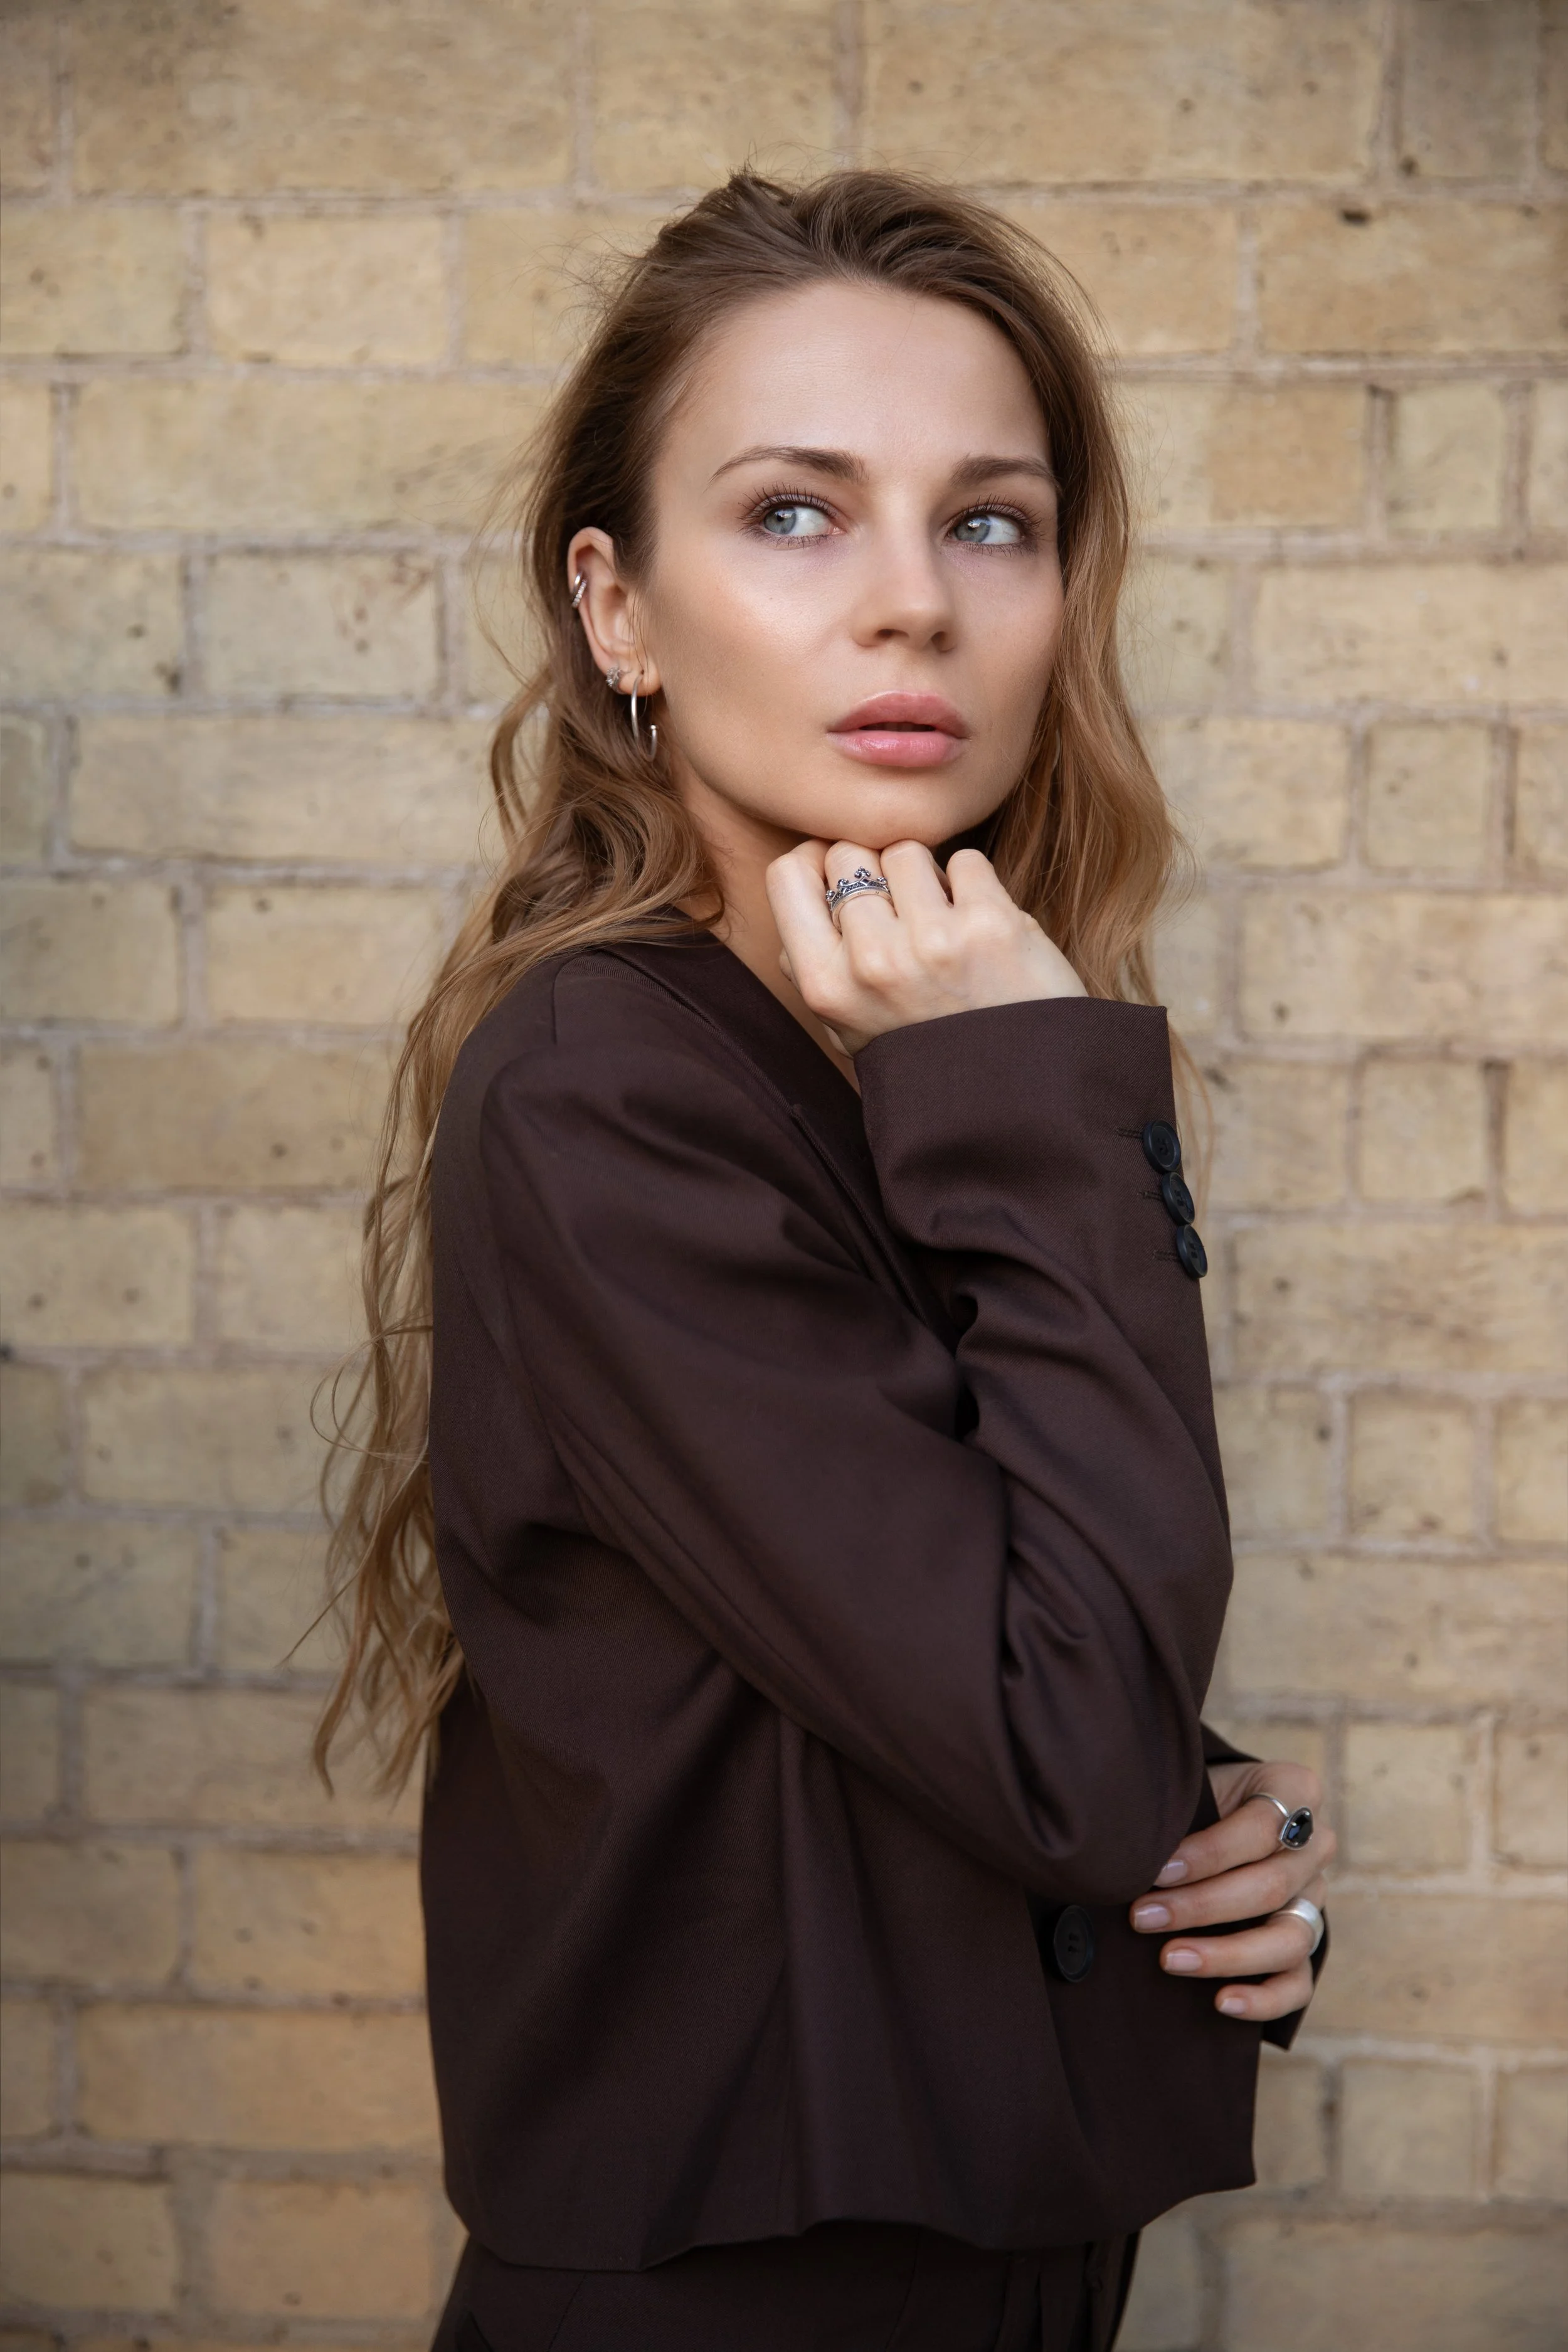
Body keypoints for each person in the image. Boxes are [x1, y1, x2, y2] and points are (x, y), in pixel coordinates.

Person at [318, 169, 1331, 2352]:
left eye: (990, 520)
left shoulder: (898, 1046)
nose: (912, 608)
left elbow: (932, 1645)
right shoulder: (613, 1086)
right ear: (619, 606)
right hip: (756, 2299)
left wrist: (1206, 1828)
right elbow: (1039, 1734)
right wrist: (1052, 1111)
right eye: (793, 512)